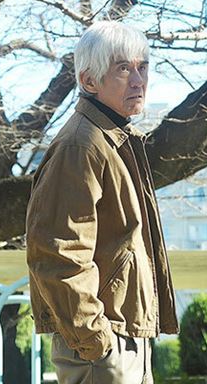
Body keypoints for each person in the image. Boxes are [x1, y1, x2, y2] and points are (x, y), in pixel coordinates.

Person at [26, 21, 177, 384]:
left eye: (143, 67)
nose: (138, 80)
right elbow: (56, 253)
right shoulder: (81, 145)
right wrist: (95, 340)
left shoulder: (114, 139)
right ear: (89, 80)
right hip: (102, 346)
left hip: (124, 338)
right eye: (123, 69)